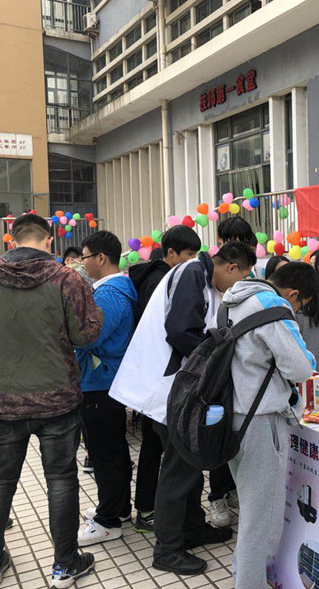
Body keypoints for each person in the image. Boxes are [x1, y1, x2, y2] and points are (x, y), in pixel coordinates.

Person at [0, 214, 102, 588]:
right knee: (61, 479)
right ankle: (65, 565)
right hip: (57, 399)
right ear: (49, 240)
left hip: (0, 399)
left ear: (11, 239)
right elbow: (86, 335)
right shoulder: (67, 278)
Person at [110, 242, 255, 575]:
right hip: (172, 390)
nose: (237, 288)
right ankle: (168, 549)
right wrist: (218, 358)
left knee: (191, 462)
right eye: (241, 279)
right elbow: (180, 331)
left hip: (179, 389)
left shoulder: (202, 276)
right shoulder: (193, 273)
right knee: (179, 468)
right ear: (231, 267)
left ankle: (192, 527)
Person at [218, 262, 317, 587]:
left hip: (232, 416)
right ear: (294, 294)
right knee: (261, 519)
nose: (296, 312)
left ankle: (243, 573)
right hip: (260, 421)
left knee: (251, 508)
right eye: (299, 306)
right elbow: (301, 368)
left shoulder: (233, 299)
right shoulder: (274, 307)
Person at [127, 224, 201, 533]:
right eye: (188, 254)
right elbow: (171, 331)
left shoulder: (156, 276)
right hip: (161, 377)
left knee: (153, 445)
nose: (193, 261)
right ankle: (149, 511)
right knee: (158, 449)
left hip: (154, 375)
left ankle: (148, 507)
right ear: (170, 253)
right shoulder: (164, 281)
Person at [75, 232, 138, 547]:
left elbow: (91, 337)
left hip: (101, 382)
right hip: (104, 379)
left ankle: (109, 520)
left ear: (101, 258)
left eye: (85, 257)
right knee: (111, 449)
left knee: (105, 453)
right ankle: (118, 507)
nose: (82, 264)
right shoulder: (110, 290)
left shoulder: (110, 294)